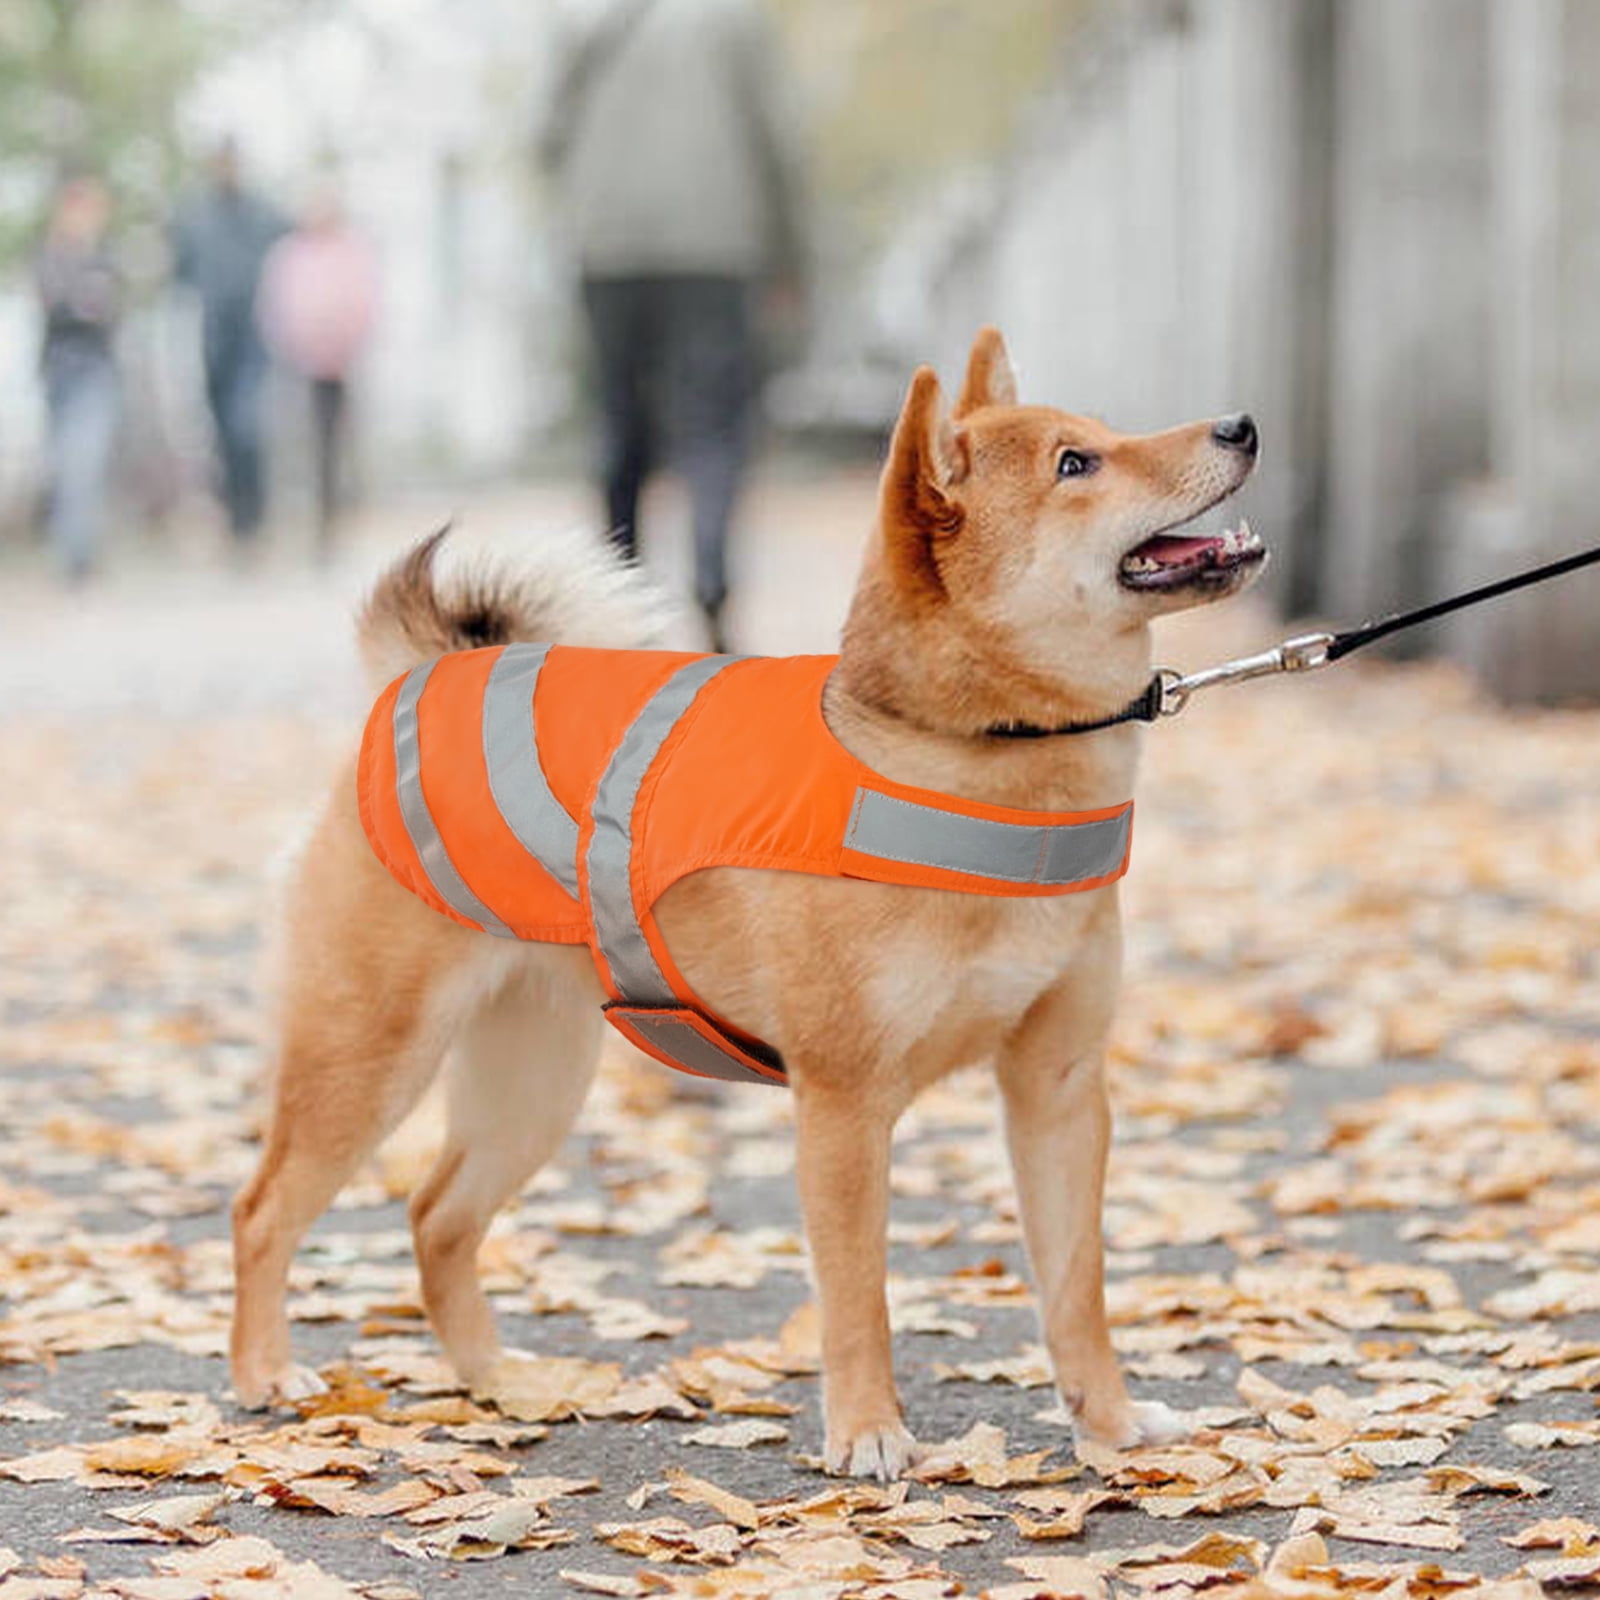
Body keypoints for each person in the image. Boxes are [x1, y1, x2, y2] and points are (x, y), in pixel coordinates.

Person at [540, 0, 811, 650]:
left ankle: (618, 609)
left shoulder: (585, 18)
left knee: (618, 426)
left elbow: (545, 136)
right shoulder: (733, 17)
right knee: (714, 428)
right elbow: (778, 137)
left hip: (608, 246)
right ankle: (713, 588)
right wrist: (790, 258)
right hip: (714, 245)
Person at [172, 139, 286, 545]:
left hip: (254, 337)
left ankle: (253, 514)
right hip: (213, 339)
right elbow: (181, 274)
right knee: (221, 431)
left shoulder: (264, 214)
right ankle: (236, 517)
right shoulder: (195, 217)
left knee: (246, 425)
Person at [256, 184, 378, 556]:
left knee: (335, 445)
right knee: (301, 445)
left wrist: (346, 343)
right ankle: (299, 521)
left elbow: (364, 301)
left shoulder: (351, 251)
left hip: (339, 366)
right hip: (299, 365)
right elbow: (273, 306)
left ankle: (333, 519)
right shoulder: (289, 254)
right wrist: (291, 346)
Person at [35, 174, 121, 584]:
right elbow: (61, 306)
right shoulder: (51, 255)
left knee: (85, 463)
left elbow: (106, 311)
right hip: (60, 374)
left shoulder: (102, 257)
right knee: (67, 465)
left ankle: (80, 555)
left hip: (96, 373)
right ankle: (73, 552)